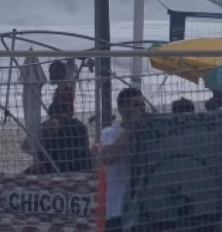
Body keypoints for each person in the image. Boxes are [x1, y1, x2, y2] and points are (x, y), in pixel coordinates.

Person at [100, 87, 146, 232]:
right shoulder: (110, 132)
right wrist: (130, 129)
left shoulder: (150, 132)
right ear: (122, 109)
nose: (141, 110)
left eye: (142, 105)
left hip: (144, 209)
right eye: (135, 106)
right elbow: (108, 158)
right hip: (118, 209)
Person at [23, 102, 92, 175]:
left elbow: (44, 157)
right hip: (80, 167)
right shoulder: (79, 126)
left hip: (66, 168)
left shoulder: (74, 128)